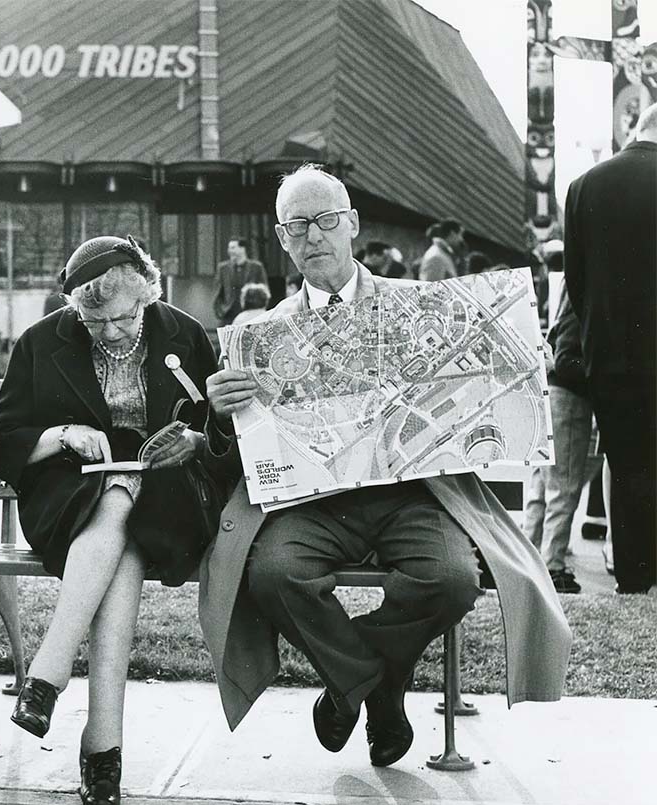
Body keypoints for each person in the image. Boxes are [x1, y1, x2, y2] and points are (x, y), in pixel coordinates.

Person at [199, 164, 571, 767]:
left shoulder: (422, 308)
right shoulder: (259, 335)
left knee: (453, 579)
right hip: (313, 503)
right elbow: (239, 452)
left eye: (325, 220)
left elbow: (484, 386)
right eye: (299, 226)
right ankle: (379, 687)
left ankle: (360, 683)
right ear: (282, 238)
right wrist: (222, 413)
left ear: (352, 225)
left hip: (412, 495)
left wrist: (524, 363)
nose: (314, 235)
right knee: (273, 573)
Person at [0, 235, 217, 805]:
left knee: (125, 505)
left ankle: (47, 677)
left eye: (126, 317)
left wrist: (196, 441)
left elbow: (225, 433)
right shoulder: (42, 341)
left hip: (168, 499)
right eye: (95, 322)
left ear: (148, 293)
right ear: (75, 310)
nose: (113, 332)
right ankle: (103, 747)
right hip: (69, 499)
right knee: (117, 506)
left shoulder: (185, 334)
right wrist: (60, 436)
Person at [563, 102, 657, 594]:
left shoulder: (584, 187)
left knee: (626, 463)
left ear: (636, 130)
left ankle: (635, 573)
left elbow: (576, 284)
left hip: (611, 353)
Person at [523, 289, 593, 593]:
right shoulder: (582, 310)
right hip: (569, 400)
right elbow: (567, 362)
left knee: (541, 485)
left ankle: (528, 555)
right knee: (563, 486)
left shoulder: (566, 308)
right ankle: (553, 565)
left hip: (548, 395)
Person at [212, 238, 268, 332]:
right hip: (228, 315)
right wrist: (221, 311)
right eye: (229, 248)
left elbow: (265, 291)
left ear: (242, 249)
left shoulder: (256, 267)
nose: (229, 251)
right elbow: (217, 292)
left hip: (250, 314)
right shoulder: (222, 268)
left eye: (233, 247)